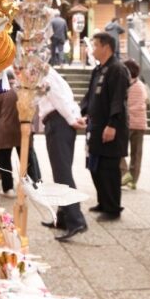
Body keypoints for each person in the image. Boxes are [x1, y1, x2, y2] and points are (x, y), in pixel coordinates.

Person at [80, 32, 130, 221]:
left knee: (109, 169)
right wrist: (80, 113)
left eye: (95, 46)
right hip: (95, 126)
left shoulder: (118, 69)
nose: (92, 50)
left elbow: (119, 100)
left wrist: (112, 124)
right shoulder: (99, 69)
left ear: (106, 47)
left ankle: (113, 208)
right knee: (95, 167)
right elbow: (89, 97)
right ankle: (103, 201)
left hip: (110, 128)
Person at [37, 66, 88, 241]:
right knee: (61, 172)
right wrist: (74, 116)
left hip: (58, 123)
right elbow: (67, 98)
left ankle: (76, 220)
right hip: (59, 122)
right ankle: (64, 217)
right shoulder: (50, 74)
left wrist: (72, 119)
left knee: (62, 173)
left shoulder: (46, 74)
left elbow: (59, 98)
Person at [0, 75, 41, 196]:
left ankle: (8, 189)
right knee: (26, 159)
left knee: (5, 161)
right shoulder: (23, 90)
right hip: (22, 130)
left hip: (5, 130)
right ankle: (32, 185)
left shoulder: (1, 92)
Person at [121, 59, 147, 190]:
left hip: (128, 123)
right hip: (140, 124)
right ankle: (133, 180)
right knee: (136, 153)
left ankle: (125, 173)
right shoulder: (141, 85)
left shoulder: (125, 85)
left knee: (118, 150)